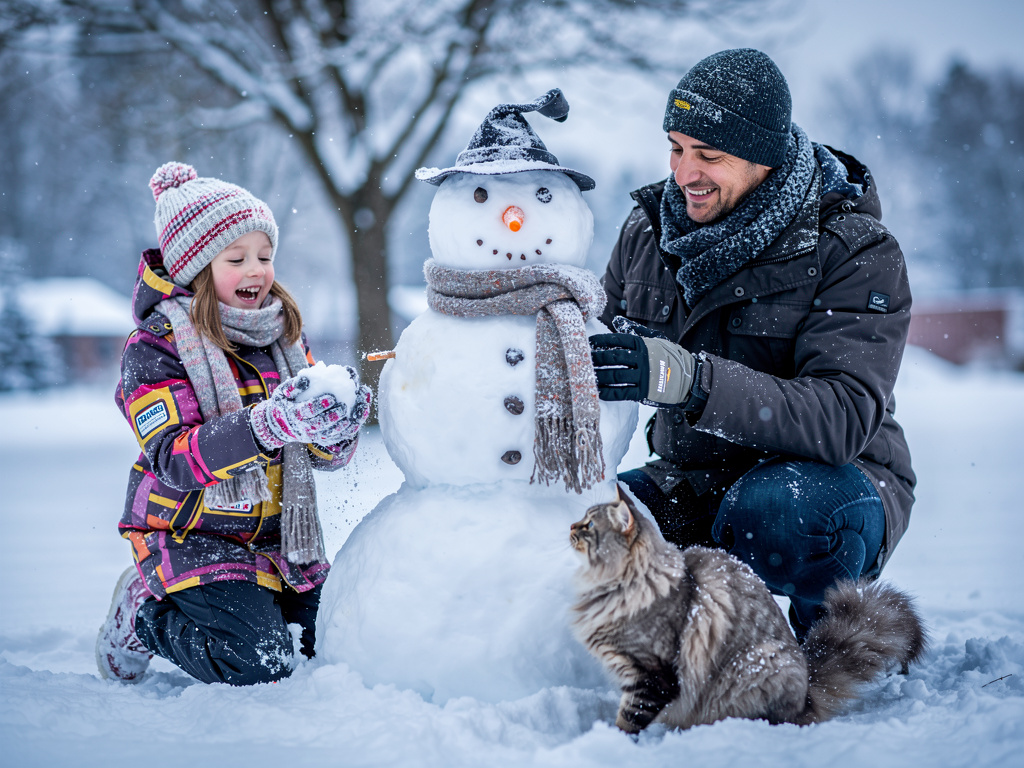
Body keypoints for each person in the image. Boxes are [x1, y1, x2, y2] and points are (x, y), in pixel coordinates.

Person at [589, 49, 915, 640]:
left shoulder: (851, 249)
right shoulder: (648, 230)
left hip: (830, 483)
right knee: (588, 528)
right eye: (676, 147)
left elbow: (841, 415)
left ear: (763, 158)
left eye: (708, 155)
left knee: (776, 513)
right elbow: (598, 340)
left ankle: (831, 641)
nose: (684, 173)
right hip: (691, 478)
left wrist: (686, 379)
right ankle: (694, 644)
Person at [96, 162, 372, 685]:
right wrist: (268, 425)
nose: (257, 270)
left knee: (338, 644)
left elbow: (316, 452)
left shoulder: (281, 336)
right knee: (258, 663)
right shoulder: (156, 348)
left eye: (265, 256)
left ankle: (254, 604)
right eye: (237, 258)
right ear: (197, 268)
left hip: (278, 541)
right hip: (189, 535)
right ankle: (142, 612)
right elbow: (175, 459)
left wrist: (337, 429)